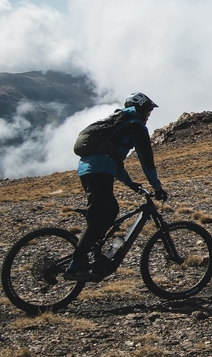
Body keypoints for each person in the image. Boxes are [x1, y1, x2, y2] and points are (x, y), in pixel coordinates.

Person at [66, 92, 168, 280]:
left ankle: (94, 253)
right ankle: (75, 266)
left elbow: (114, 161)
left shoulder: (117, 123)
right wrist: (157, 187)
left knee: (111, 210)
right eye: (148, 111)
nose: (148, 116)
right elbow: (146, 160)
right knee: (99, 217)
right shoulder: (135, 125)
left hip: (88, 170)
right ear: (140, 109)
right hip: (100, 171)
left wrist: (131, 184)